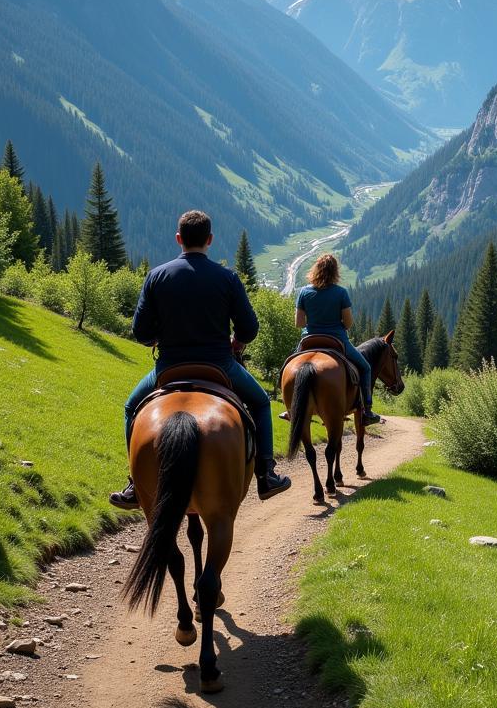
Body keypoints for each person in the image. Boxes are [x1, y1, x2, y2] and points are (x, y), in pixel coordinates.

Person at [109, 210, 291, 509]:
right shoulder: (227, 278)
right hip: (221, 365)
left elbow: (140, 331)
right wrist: (237, 342)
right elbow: (250, 328)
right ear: (209, 240)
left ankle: (134, 482)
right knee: (259, 402)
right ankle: (265, 474)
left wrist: (157, 338)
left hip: (169, 367)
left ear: (179, 239)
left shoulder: (157, 276)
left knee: (131, 407)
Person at [295, 253, 381, 425]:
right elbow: (348, 324)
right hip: (337, 341)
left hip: (309, 340)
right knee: (365, 368)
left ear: (316, 269)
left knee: (288, 367)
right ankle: (367, 410)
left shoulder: (304, 292)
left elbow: (299, 323)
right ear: (335, 272)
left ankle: (291, 407)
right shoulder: (341, 293)